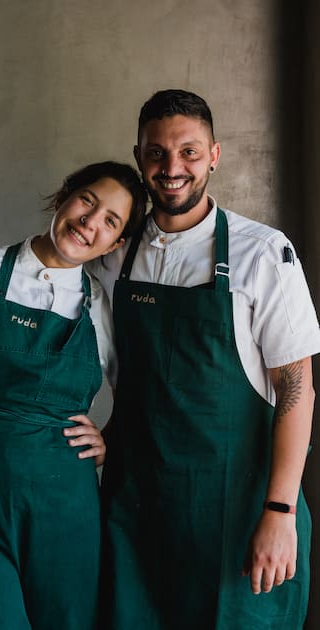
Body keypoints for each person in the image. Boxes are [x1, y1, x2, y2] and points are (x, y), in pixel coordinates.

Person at [85, 90, 320, 629]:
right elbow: (50, 271)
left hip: (237, 517)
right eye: (156, 153)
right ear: (139, 155)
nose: (172, 168)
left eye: (189, 152)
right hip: (138, 515)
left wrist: (280, 513)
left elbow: (297, 388)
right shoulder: (113, 253)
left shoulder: (262, 253)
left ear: (214, 154)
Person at [0, 160, 147, 630]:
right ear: (64, 197)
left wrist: (109, 439)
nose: (89, 222)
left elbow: (142, 397)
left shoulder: (102, 305)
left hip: (68, 515)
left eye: (110, 222)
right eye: (87, 202)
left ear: (115, 244)